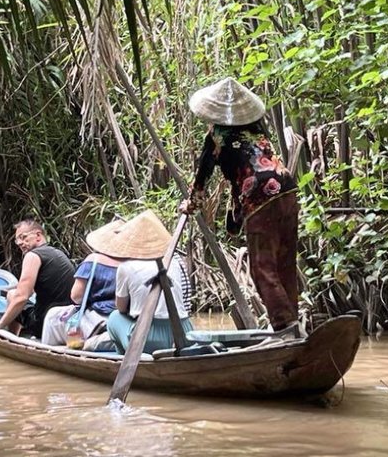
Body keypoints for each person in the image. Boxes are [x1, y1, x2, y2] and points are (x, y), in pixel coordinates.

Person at [179, 77, 302, 335]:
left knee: (262, 268)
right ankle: (294, 324)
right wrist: (234, 219)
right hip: (287, 188)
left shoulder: (217, 135)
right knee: (285, 263)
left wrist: (190, 204)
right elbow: (246, 175)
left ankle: (286, 328)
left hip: (260, 196)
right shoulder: (258, 131)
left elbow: (202, 177)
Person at [101, 210, 195, 354]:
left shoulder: (125, 267)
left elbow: (121, 308)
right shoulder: (174, 261)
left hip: (148, 338)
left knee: (114, 318)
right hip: (186, 331)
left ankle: (122, 357)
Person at [0, 219, 76, 339]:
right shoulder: (57, 253)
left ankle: (10, 338)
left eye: (23, 237)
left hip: (45, 324)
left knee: (13, 295)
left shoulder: (33, 256)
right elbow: (38, 288)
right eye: (17, 240)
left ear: (38, 235)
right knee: (18, 297)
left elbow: (21, 297)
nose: (20, 243)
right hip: (67, 321)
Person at [41, 218, 125, 348]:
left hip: (96, 318)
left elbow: (76, 297)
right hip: (121, 317)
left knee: (53, 316)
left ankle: (48, 352)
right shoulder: (132, 264)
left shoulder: (93, 260)